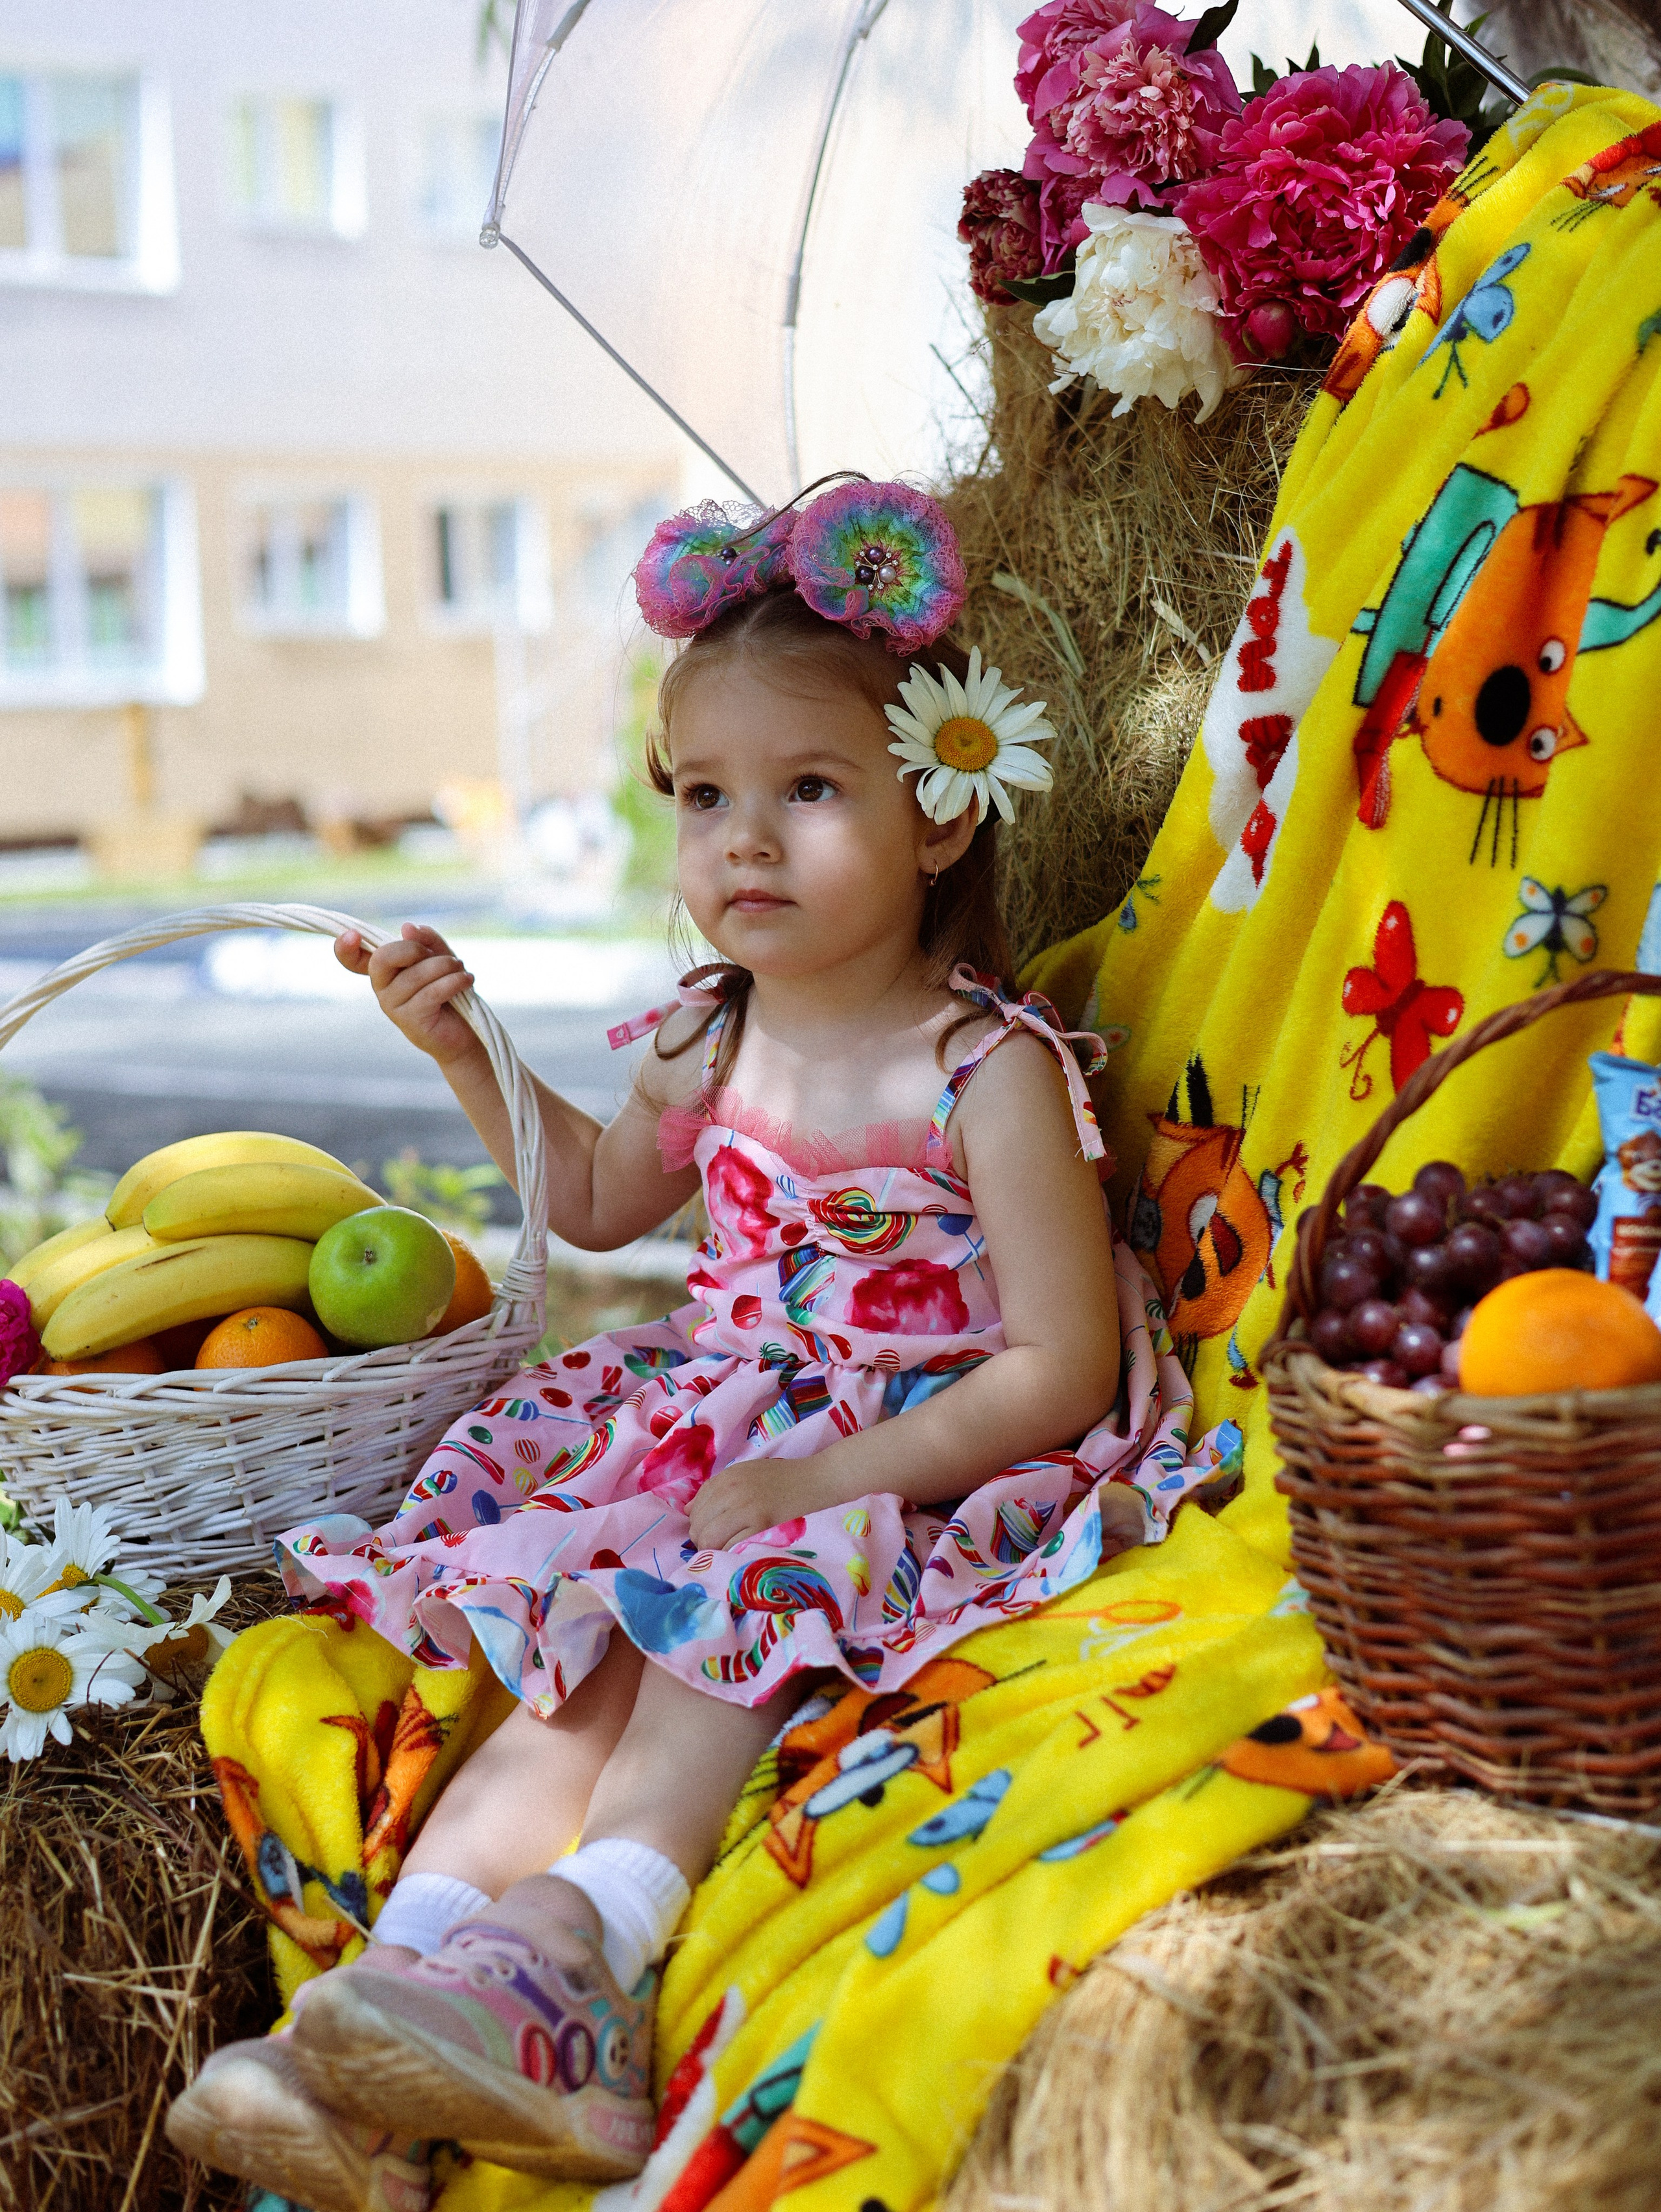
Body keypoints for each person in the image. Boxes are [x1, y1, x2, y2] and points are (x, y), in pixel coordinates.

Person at [168, 479, 1220, 2212]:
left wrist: (826, 1469)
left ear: (938, 814)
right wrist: (466, 1044)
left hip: (914, 1438)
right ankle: (372, 2029)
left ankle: (575, 1956)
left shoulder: (989, 1069)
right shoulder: (707, 1034)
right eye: (706, 795)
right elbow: (589, 1199)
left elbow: (1060, 1361)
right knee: (573, 1649)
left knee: (717, 1613)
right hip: (718, 1422)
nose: (745, 839)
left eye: (809, 791)